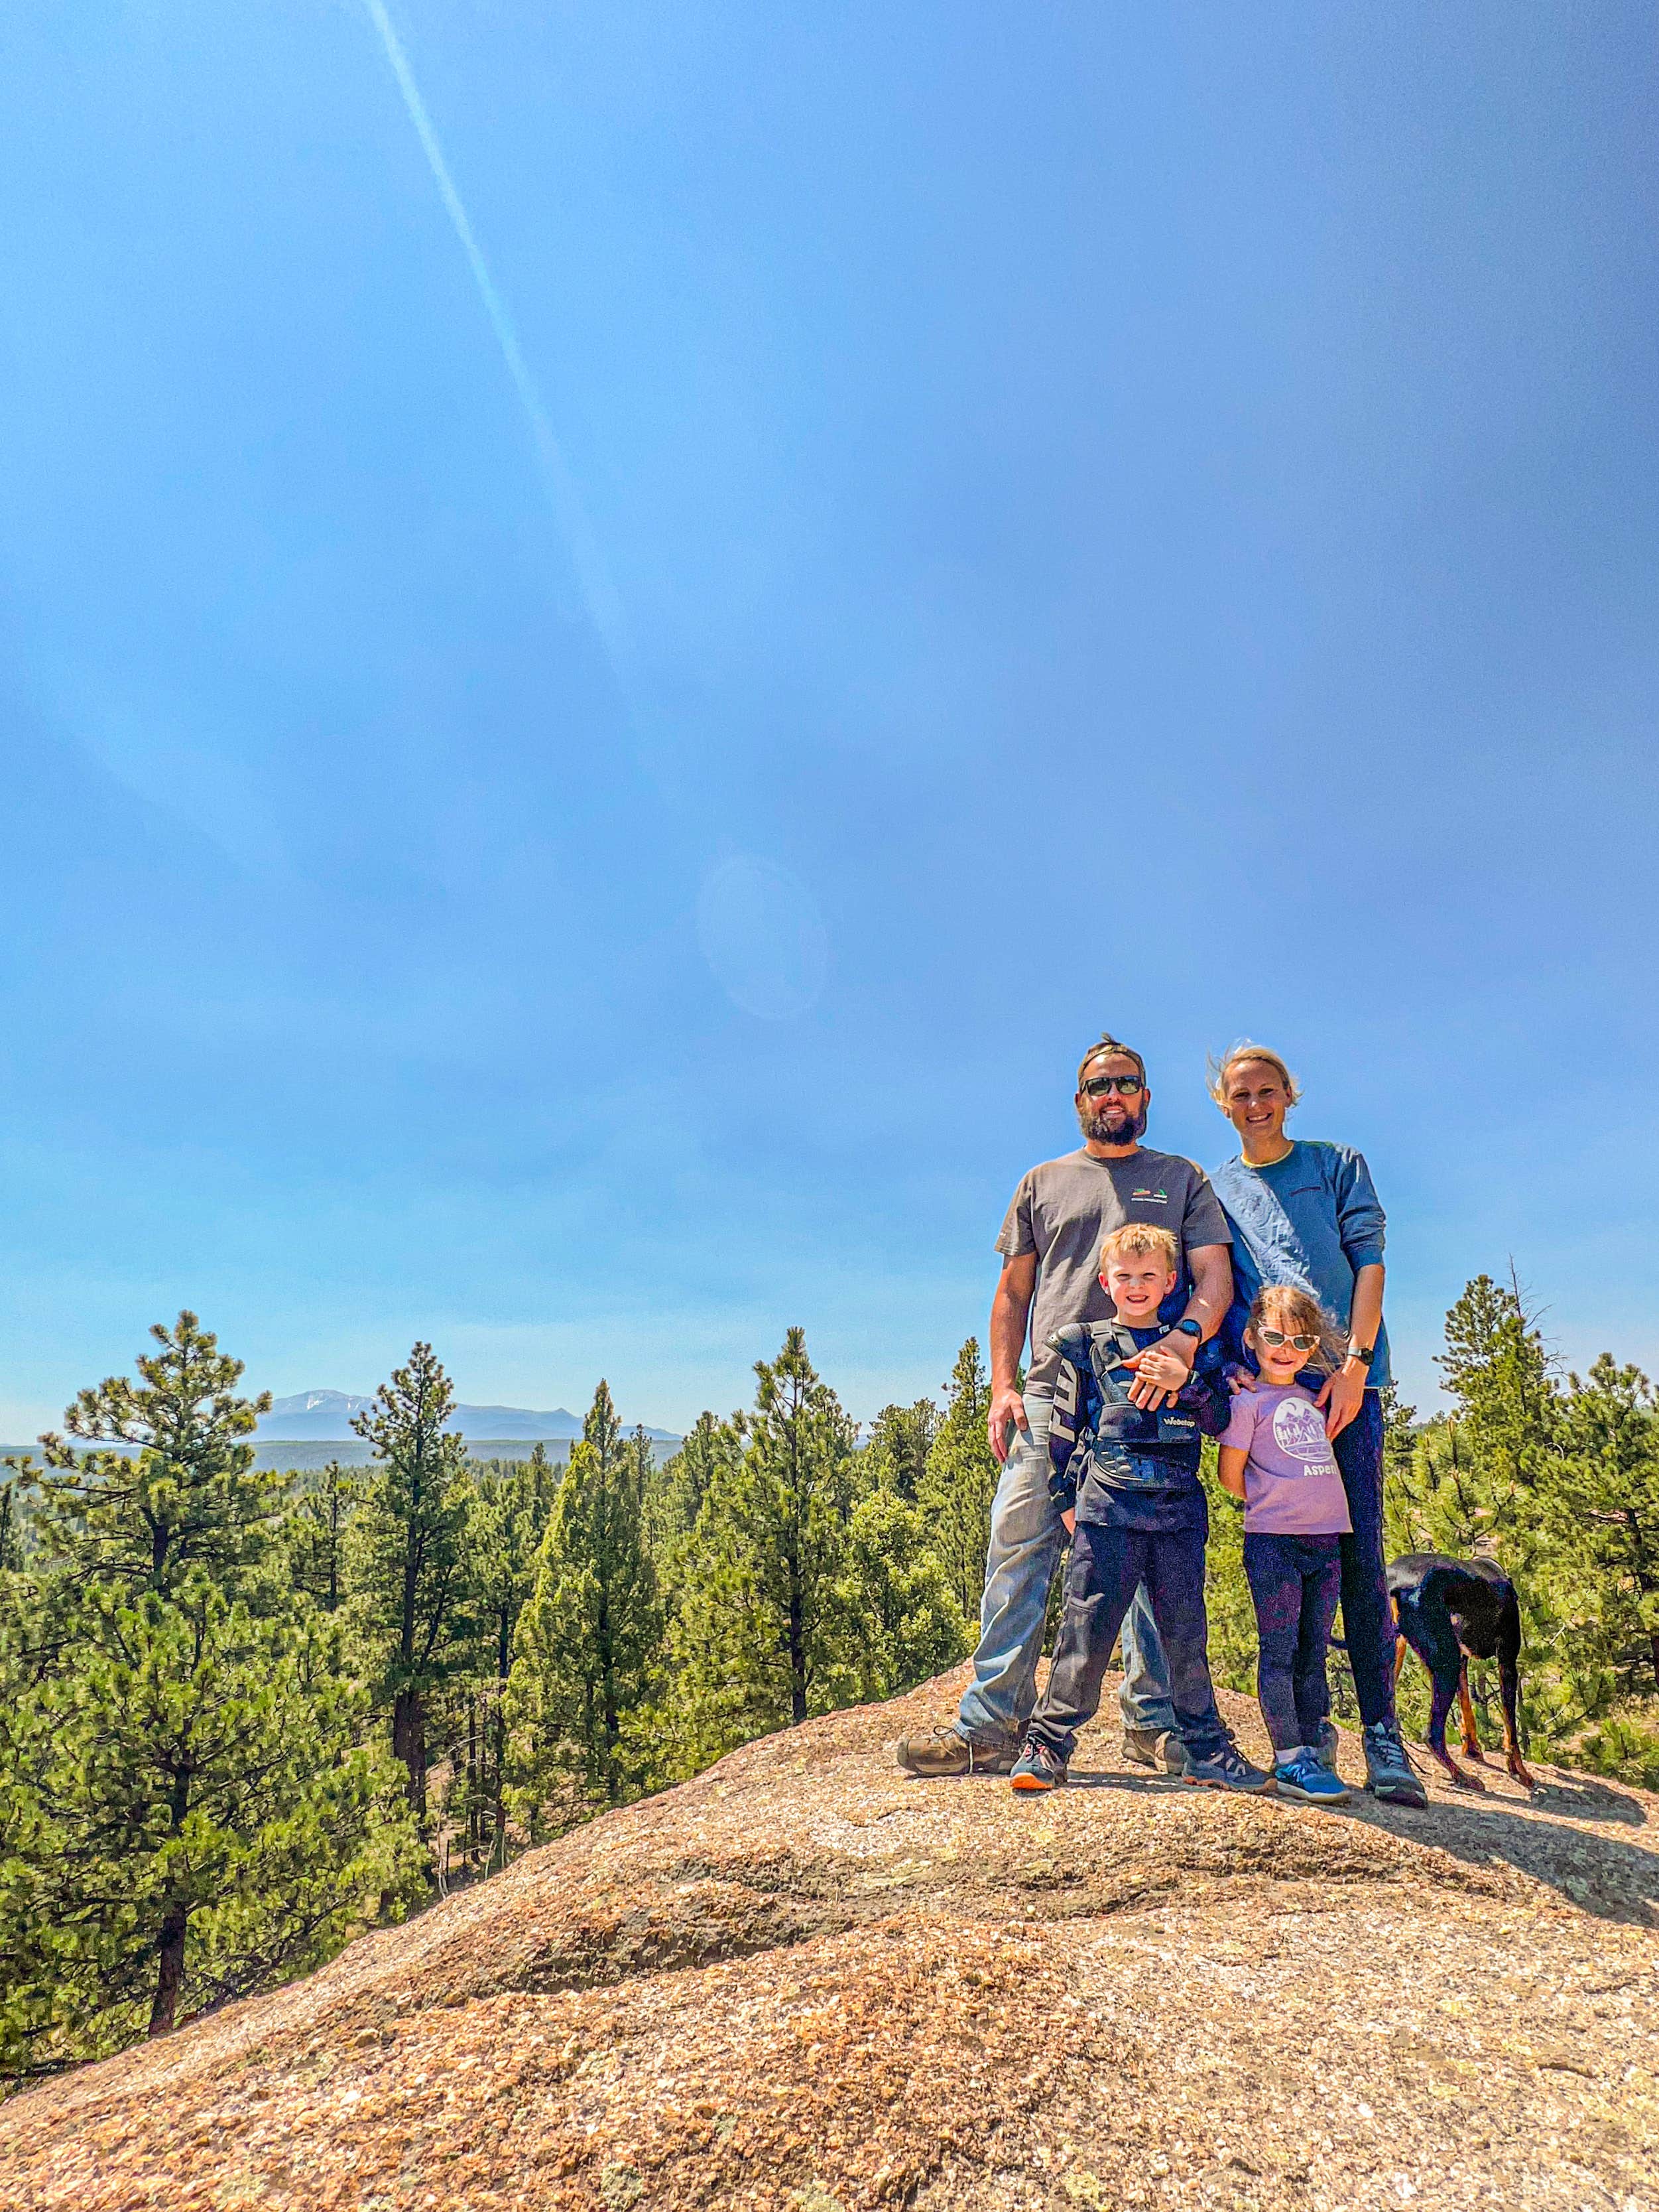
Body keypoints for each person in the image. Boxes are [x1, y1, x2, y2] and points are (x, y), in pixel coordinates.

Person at [896, 1033, 1235, 1778]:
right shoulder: (1041, 1180)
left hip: (1149, 1387)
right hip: (1052, 1388)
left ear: (1146, 1096)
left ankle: (1156, 1723)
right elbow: (1014, 1290)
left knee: (1153, 1559)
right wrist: (1002, 1383)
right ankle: (989, 1726)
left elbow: (1216, 1279)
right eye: (1098, 1085)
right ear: (1080, 1099)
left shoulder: (1182, 1179)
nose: (1112, 1094)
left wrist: (1181, 1344)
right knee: (1022, 1542)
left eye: (1126, 1083)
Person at [1119, 1043, 1428, 1807]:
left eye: (1267, 1090)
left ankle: (1384, 1738)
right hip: (1270, 1394)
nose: (1254, 1103)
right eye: (1239, 1093)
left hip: (1343, 1388)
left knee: (1360, 1552)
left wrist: (1355, 1363)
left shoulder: (1336, 1163)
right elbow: (1216, 1280)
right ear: (1223, 1103)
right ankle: (1305, 1733)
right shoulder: (1217, 1189)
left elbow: (1370, 1262)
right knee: (1282, 1560)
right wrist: (1232, 1375)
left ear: (1288, 1094)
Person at [1009, 1225, 1270, 1791]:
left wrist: (1188, 1382)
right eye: (1124, 1276)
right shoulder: (1085, 1344)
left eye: (1149, 1275)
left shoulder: (1197, 1353)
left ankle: (1205, 1748)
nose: (1136, 1285)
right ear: (1105, 1281)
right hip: (1107, 1510)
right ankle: (1048, 1744)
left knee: (1184, 1634)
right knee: (1086, 1629)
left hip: (1177, 1513)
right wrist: (1064, 1502)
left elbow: (1221, 1422)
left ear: (1170, 1281)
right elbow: (1062, 1428)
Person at [1217, 1283, 1354, 1807]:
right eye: (1273, 1335)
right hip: (1275, 1542)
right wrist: (1278, 1501)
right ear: (1251, 1338)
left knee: (1314, 1649)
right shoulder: (1247, 1403)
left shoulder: (1315, 1397)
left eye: (1300, 1340)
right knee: (1279, 1648)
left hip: (1327, 1541)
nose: (1285, 1347)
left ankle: (1313, 1742)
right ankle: (1289, 1756)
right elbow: (1232, 1476)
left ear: (1313, 1347)